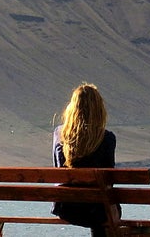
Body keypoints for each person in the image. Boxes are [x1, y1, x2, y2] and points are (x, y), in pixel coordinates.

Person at [51, 82, 117, 237]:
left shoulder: (59, 134)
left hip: (66, 208)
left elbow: (58, 170)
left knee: (99, 206)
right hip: (98, 211)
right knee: (104, 208)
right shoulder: (106, 138)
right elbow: (109, 180)